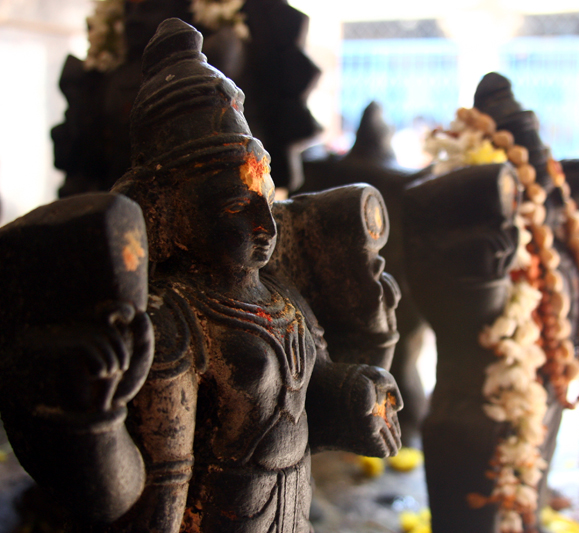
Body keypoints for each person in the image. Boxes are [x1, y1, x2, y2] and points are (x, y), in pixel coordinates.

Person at [106, 19, 400, 532]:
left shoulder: (282, 297)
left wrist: (359, 392)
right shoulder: (174, 319)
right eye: (235, 206)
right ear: (167, 210)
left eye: (265, 201)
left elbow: (310, 397)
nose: (266, 226)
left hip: (293, 504)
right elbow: (167, 475)